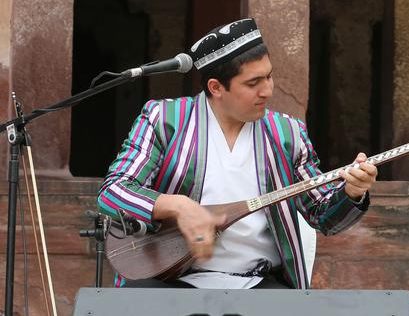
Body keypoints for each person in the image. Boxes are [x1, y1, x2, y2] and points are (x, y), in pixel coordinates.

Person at [97, 18, 377, 289]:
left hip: (259, 282)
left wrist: (352, 192)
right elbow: (113, 193)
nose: (267, 90)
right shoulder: (165, 119)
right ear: (216, 88)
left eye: (269, 76)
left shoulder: (288, 133)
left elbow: (323, 216)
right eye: (253, 83)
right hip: (168, 278)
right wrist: (179, 207)